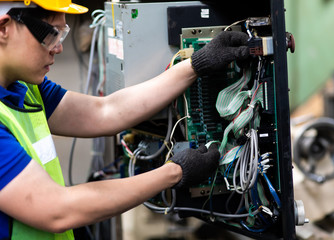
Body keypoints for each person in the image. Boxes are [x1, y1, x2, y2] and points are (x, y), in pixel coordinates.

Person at [0, 0, 250, 239]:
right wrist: (174, 172)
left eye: (61, 34)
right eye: (51, 34)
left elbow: (104, 111)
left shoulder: (25, 88)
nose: (58, 46)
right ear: (4, 28)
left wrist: (196, 64)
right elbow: (57, 209)